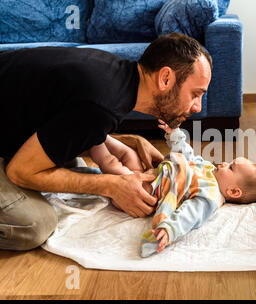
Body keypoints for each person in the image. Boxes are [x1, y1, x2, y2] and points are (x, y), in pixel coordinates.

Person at [0, 33, 213, 251]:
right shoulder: (102, 105)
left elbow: (73, 120)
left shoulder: (113, 77)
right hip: (13, 159)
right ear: (165, 78)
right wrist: (111, 186)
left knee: (70, 167)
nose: (197, 106)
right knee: (34, 223)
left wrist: (130, 140)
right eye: (196, 94)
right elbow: (19, 172)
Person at [136, 119, 256, 257]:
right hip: (160, 172)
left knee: (132, 182)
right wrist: (175, 134)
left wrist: (169, 229)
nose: (224, 162)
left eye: (230, 167)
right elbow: (189, 157)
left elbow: (190, 213)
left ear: (233, 191)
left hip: (157, 188)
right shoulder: (209, 169)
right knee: (129, 157)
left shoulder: (211, 196)